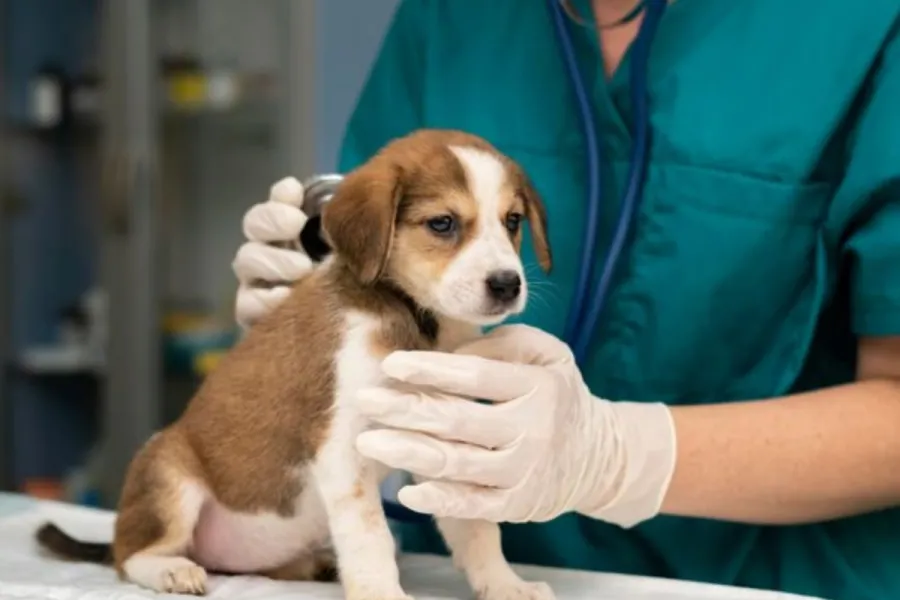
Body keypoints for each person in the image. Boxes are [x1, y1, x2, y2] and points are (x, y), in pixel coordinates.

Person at [231, 1, 900, 598]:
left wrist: (618, 455)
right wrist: (315, 300)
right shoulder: (448, 16)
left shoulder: (862, 22)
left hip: (773, 576)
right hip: (476, 578)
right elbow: (375, 238)